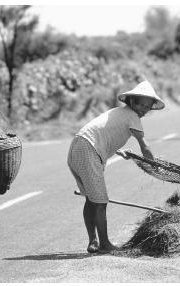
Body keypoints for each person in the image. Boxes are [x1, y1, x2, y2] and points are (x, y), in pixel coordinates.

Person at [67, 80, 165, 253]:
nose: (144, 109)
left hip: (78, 145)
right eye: (141, 104)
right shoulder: (132, 116)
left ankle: (93, 242)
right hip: (88, 149)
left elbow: (105, 133)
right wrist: (155, 166)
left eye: (147, 107)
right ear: (132, 101)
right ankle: (104, 244)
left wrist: (120, 151)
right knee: (100, 202)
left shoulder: (120, 112)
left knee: (92, 198)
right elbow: (144, 146)